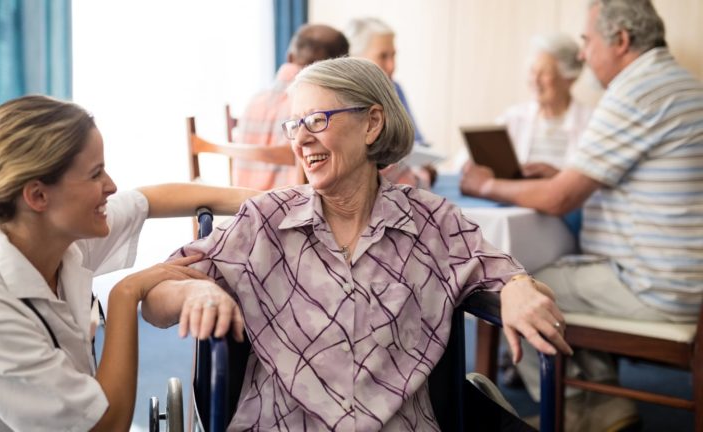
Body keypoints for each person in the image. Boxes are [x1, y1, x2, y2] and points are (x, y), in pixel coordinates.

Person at [142, 57, 572, 430]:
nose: (300, 138)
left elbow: (520, 287)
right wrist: (195, 289)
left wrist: (518, 287)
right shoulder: (266, 221)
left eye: (317, 120)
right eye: (294, 124)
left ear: (372, 123)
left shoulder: (434, 223)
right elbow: (155, 302)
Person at [0, 95, 258, 431]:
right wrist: (125, 294)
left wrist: (274, 199)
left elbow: (148, 200)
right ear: (38, 196)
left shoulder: (59, 241)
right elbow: (106, 426)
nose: (111, 186)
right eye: (95, 174)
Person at [461, 0, 703, 430]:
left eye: (587, 42)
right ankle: (604, 405)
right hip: (681, 278)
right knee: (561, 272)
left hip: (653, 288)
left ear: (622, 40)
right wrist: (565, 175)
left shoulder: (635, 90)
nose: (584, 54)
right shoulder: (677, 83)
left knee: (517, 287)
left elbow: (558, 200)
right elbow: (622, 178)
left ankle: (571, 406)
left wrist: (484, 186)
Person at [231, 23, 349, 190]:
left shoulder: (253, 101)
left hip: (241, 204)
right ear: (339, 67)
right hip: (290, 207)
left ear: (290, 57)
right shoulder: (318, 108)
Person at [345, 17, 438, 189]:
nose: (392, 66)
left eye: (393, 55)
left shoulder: (395, 89)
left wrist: (425, 164)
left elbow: (417, 142)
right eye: (383, 56)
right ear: (355, 57)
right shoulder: (342, 101)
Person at [498, 33, 593, 179]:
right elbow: (466, 162)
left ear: (569, 78)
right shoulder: (513, 117)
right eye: (533, 71)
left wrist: (557, 177)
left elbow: (599, 188)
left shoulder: (591, 122)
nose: (535, 80)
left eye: (545, 73)